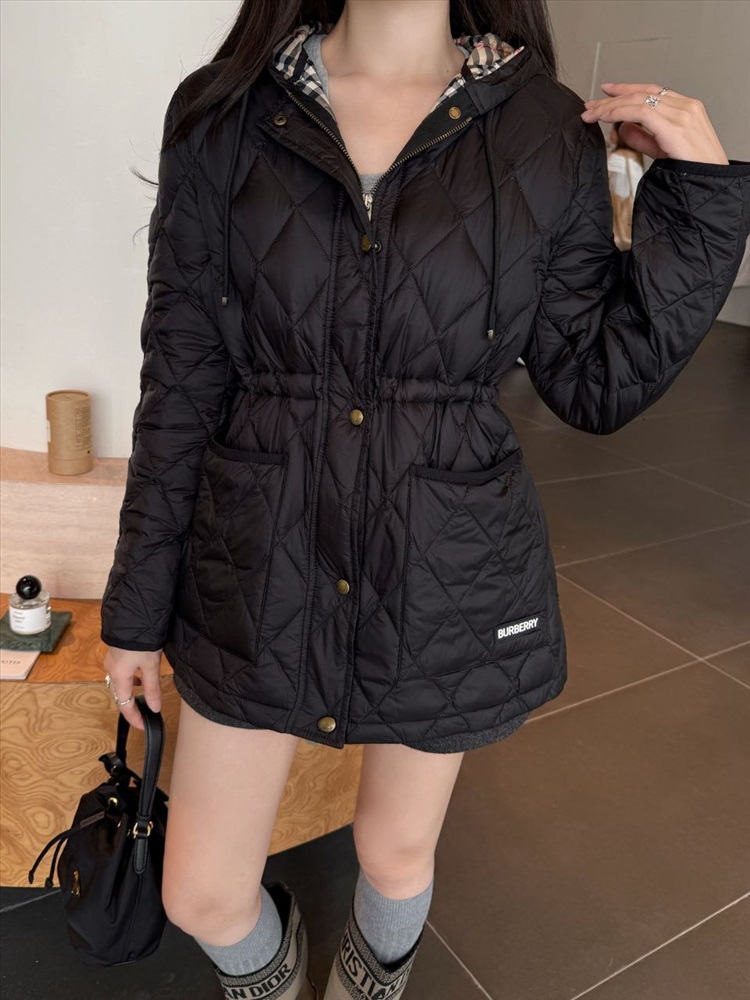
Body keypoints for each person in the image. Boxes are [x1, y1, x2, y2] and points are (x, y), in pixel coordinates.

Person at [99, 2, 750, 998]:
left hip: (446, 561)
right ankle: (277, 980)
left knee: (396, 855)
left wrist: (700, 202)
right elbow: (182, 382)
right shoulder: (222, 113)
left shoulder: (540, 124)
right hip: (259, 559)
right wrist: (136, 612)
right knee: (201, 891)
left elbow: (594, 381)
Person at [606, 120, 646, 250]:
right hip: (632, 217)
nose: (610, 133)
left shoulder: (616, 157)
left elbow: (604, 184)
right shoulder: (635, 158)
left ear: (620, 133)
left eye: (613, 129)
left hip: (615, 217)